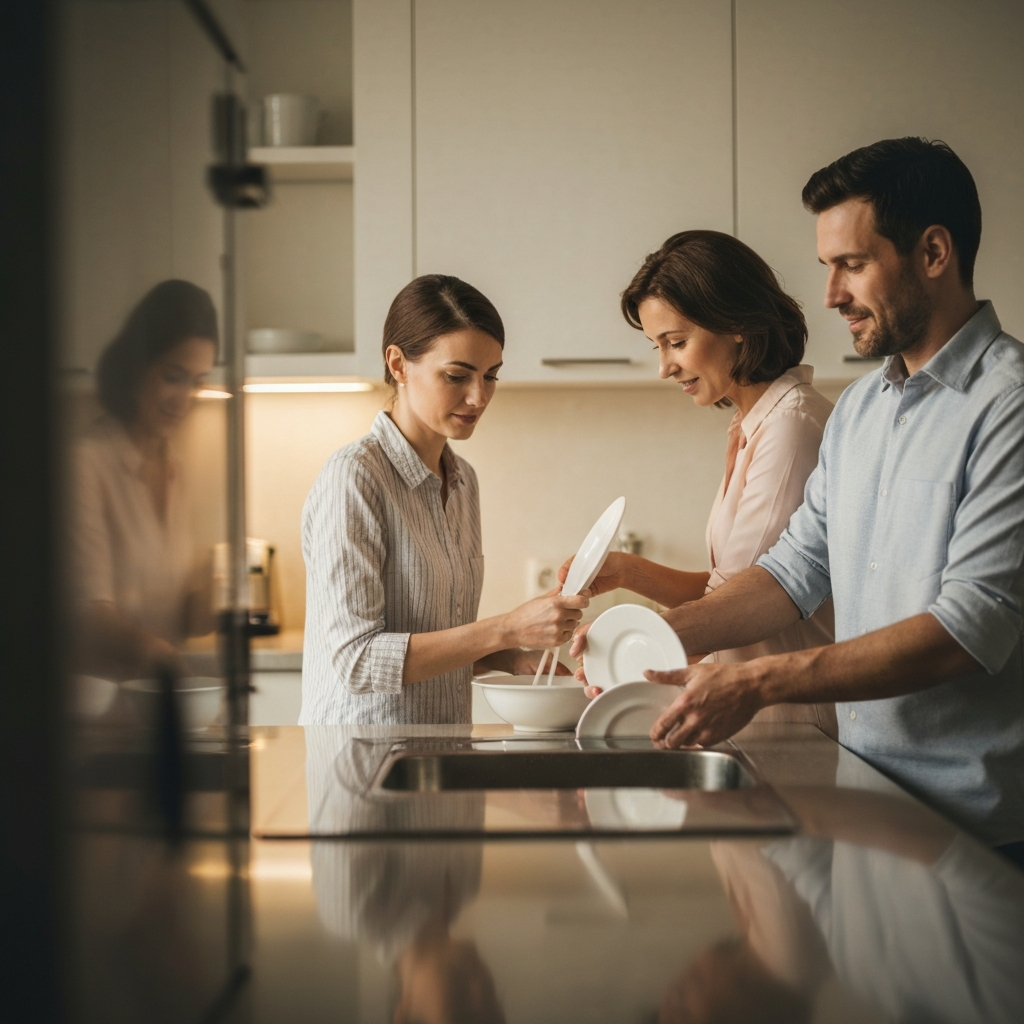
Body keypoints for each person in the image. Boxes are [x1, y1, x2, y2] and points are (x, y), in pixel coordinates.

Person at [636, 139, 1024, 861]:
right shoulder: (858, 412)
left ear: (934, 252)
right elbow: (791, 573)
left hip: (975, 829)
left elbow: (971, 627)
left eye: (852, 263)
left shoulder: (1009, 408)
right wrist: (651, 642)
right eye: (827, 268)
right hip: (867, 800)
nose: (830, 295)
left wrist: (760, 680)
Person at [566, 230, 836, 735]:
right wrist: (629, 572)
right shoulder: (751, 425)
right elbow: (731, 589)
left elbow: (759, 600)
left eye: (677, 342)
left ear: (736, 324)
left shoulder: (793, 428)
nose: (664, 367)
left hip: (798, 723)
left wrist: (636, 649)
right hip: (757, 717)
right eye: (657, 346)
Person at [300, 274, 588, 725]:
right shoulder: (354, 478)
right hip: (364, 764)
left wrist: (510, 655)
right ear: (397, 364)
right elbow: (358, 661)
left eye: (490, 376)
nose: (479, 397)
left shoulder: (462, 481)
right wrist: (505, 628)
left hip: (441, 750)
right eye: (457, 376)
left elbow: (435, 642)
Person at [72, 279, 218, 681]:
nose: (184, 399)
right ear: (135, 366)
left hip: (153, 707)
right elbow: (87, 613)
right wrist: (158, 656)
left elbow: (176, 616)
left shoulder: (174, 470)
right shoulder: (87, 465)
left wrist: (218, 600)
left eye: (198, 381)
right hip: (98, 706)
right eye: (173, 376)